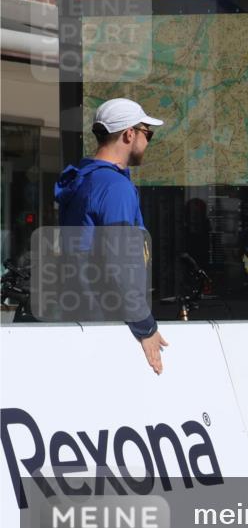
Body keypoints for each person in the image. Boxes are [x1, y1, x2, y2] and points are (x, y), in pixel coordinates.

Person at [54, 98, 167, 375]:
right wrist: (145, 325)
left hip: (82, 321)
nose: (148, 142)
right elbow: (120, 265)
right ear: (130, 134)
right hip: (109, 327)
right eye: (147, 134)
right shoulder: (114, 187)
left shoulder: (84, 180)